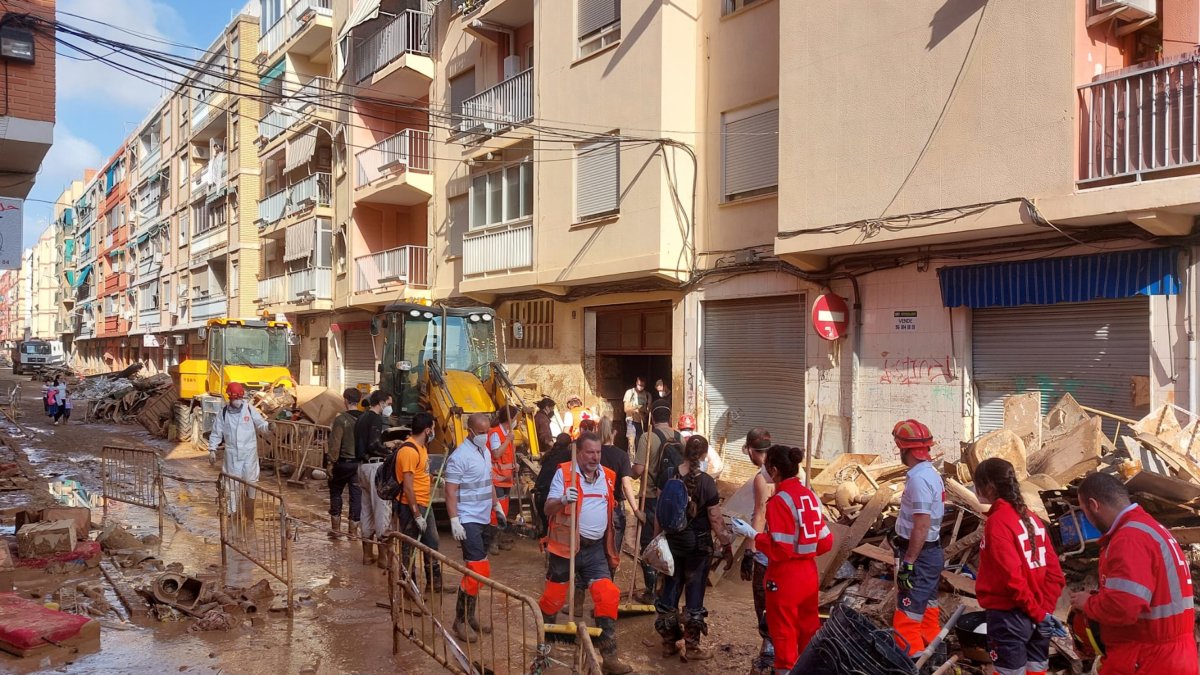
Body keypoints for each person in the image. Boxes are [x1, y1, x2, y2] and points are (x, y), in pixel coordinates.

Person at [1068, 472, 1197, 675]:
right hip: (1173, 655)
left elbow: (1124, 607)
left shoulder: (1128, 539)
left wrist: (1088, 603)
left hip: (1148, 659)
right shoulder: (1150, 528)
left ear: (1094, 505)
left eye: (1084, 511)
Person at [538, 432, 632, 675]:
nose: (595, 457)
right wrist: (561, 499)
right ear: (578, 452)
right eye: (590, 452)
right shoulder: (565, 473)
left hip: (595, 550)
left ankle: (610, 657)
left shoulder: (608, 477)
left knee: (607, 595)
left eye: (598, 452)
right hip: (565, 548)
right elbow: (548, 508)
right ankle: (543, 653)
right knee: (552, 600)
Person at [974, 458, 1066, 675]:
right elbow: (1055, 574)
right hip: (1038, 613)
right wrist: (1043, 612)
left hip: (1009, 618)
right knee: (1037, 670)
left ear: (988, 487)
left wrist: (1038, 613)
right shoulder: (1032, 518)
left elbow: (1011, 578)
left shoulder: (997, 523)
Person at [753, 444, 833, 672]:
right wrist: (804, 550)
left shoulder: (779, 502)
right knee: (808, 629)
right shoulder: (809, 496)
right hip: (808, 574)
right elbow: (826, 542)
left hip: (785, 578)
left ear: (775, 470)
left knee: (784, 634)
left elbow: (780, 550)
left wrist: (755, 538)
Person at [653, 435, 733, 661]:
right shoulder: (707, 482)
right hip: (698, 548)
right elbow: (716, 520)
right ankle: (692, 647)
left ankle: (668, 644)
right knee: (695, 593)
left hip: (671, 544)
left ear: (684, 452)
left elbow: (660, 513)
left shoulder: (668, 475)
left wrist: (657, 542)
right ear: (705, 454)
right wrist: (726, 545)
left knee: (670, 590)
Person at [445, 413, 506, 642]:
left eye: (488, 432)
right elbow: (450, 491)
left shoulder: (485, 452)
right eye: (481, 433)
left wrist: (496, 505)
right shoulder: (459, 457)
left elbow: (488, 481)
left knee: (479, 571)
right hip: (467, 518)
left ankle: (469, 616)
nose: (485, 436)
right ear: (470, 431)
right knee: (476, 570)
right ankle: (459, 621)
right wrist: (454, 520)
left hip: (483, 517)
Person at [890, 419, 945, 656]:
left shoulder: (920, 480)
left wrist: (909, 563)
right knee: (927, 615)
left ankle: (911, 666)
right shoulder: (929, 474)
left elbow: (921, 526)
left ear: (904, 449)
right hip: (930, 554)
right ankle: (936, 661)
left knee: (905, 622)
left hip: (920, 557)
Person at [630, 405, 679, 604]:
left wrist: (630, 473)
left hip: (650, 496)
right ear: (669, 418)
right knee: (671, 541)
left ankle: (651, 591)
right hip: (675, 497)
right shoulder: (679, 437)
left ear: (652, 418)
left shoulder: (647, 437)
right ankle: (668, 589)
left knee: (649, 543)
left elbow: (639, 469)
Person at [393, 412, 447, 590]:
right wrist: (416, 515)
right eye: (432, 428)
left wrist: (433, 479)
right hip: (410, 506)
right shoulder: (409, 451)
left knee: (432, 542)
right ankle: (409, 585)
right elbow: (408, 487)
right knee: (409, 547)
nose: (433, 432)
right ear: (426, 430)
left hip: (425, 503)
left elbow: (420, 474)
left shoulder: (422, 448)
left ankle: (434, 583)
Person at [739, 428, 776, 674]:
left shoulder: (762, 477)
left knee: (763, 605)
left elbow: (760, 514)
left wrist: (750, 551)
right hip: (789, 554)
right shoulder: (793, 470)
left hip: (767, 552)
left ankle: (769, 650)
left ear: (752, 451)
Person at [208, 382, 269, 516]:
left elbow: (260, 423)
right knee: (231, 484)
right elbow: (217, 432)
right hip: (232, 454)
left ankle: (249, 513)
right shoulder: (223, 413)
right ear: (230, 398)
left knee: (251, 481)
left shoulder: (249, 409)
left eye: (239, 398)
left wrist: (269, 427)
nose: (238, 401)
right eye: (235, 399)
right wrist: (212, 449)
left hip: (249, 453)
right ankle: (232, 513)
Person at [327, 388, 365, 541]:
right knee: (356, 497)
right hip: (359, 465)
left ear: (346, 400)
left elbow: (335, 444)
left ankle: (336, 530)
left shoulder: (341, 419)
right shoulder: (364, 418)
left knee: (336, 492)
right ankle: (353, 533)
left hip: (342, 464)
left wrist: (330, 463)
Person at [488, 405, 518, 554]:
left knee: (504, 509)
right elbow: (497, 453)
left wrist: (514, 465)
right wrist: (507, 440)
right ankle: (492, 541)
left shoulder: (507, 433)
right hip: (497, 478)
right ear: (510, 419)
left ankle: (498, 539)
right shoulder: (496, 434)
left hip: (506, 478)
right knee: (497, 511)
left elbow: (506, 455)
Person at [534, 433, 573, 535]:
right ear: (569, 445)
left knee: (546, 530)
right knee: (552, 532)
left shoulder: (549, 454)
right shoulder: (568, 456)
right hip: (549, 497)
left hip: (539, 494)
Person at [622, 378, 649, 444]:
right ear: (636, 383)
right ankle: (631, 454)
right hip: (631, 420)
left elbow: (648, 410)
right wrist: (635, 408)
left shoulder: (647, 395)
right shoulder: (630, 392)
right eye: (639, 384)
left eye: (642, 385)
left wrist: (642, 410)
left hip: (641, 421)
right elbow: (625, 409)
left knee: (640, 443)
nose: (640, 387)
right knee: (631, 442)